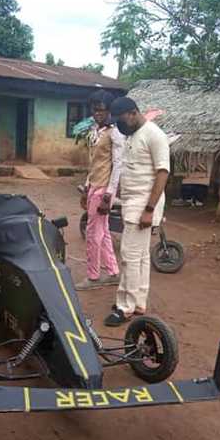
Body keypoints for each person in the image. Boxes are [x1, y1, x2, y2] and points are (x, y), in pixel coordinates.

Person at [104, 97, 169, 327]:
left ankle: (125, 307)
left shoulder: (154, 135)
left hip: (143, 204)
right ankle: (138, 302)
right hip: (132, 203)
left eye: (121, 119)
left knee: (129, 256)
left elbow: (162, 173)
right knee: (140, 256)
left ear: (133, 113)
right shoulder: (132, 135)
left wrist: (149, 210)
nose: (119, 125)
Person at [76, 90, 123, 291]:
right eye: (94, 110)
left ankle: (93, 277)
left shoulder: (115, 133)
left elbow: (118, 165)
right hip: (94, 186)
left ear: (109, 111)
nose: (97, 113)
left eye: (101, 110)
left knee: (92, 233)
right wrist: (86, 186)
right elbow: (94, 164)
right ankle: (113, 272)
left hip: (103, 189)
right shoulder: (96, 131)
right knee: (102, 233)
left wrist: (109, 195)